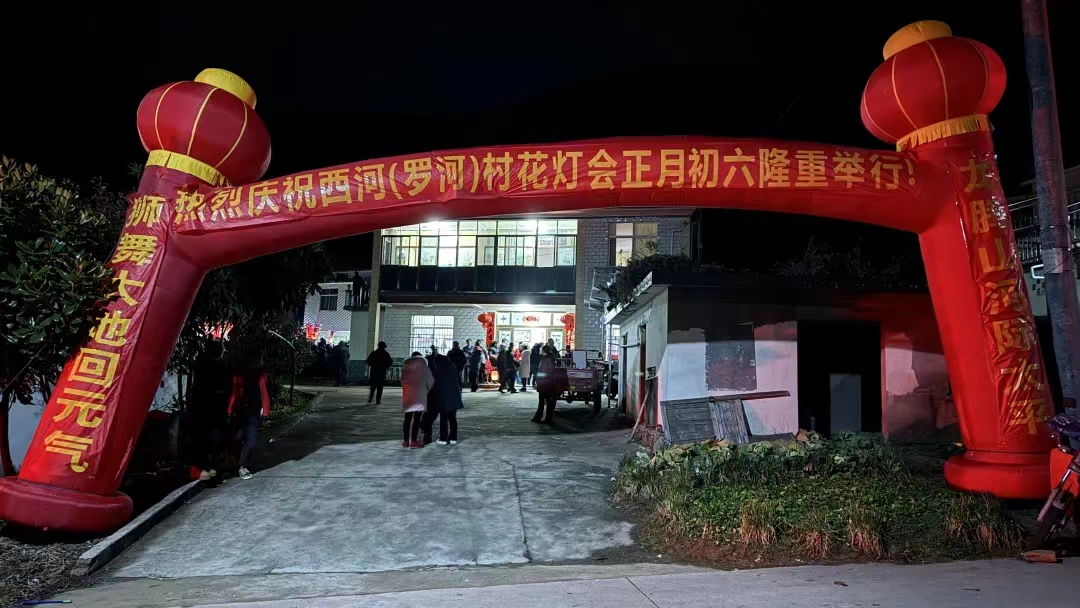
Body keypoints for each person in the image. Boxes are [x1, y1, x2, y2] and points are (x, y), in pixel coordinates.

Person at [187, 340, 231, 481]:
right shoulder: (221, 367)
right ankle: (207, 467)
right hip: (214, 408)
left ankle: (201, 467)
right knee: (210, 439)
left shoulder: (200, 365)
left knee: (200, 438)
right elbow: (227, 389)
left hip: (200, 407)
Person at [227, 355, 271, 479]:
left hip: (253, 411)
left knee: (251, 440)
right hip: (240, 410)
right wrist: (230, 409)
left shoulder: (261, 375)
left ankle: (243, 466)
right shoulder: (239, 375)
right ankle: (235, 463)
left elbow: (264, 392)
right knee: (237, 437)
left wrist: (265, 410)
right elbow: (235, 393)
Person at [426, 353, 464, 445]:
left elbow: (433, 385)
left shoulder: (437, 370)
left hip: (443, 398)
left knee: (443, 418)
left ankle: (443, 438)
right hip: (454, 397)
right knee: (452, 418)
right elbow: (459, 383)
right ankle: (453, 438)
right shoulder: (453, 368)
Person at [401, 351, 434, 449]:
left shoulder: (406, 367)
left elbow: (402, 381)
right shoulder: (424, 367)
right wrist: (426, 390)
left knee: (407, 419)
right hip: (420, 395)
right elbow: (430, 381)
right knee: (417, 419)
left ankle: (405, 441)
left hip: (408, 395)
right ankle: (414, 441)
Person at [533, 345, 559, 425]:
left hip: (545, 383)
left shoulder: (546, 359)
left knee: (545, 401)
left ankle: (545, 418)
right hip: (547, 383)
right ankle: (542, 417)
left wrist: (539, 378)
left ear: (544, 350)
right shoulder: (549, 358)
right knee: (545, 401)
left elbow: (546, 371)